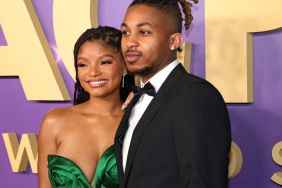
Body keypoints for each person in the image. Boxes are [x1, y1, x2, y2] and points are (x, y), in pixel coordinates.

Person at [114, 0, 232, 188]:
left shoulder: (196, 97)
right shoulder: (137, 97)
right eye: (125, 32)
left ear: (174, 41)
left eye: (144, 32)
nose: (130, 42)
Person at [38, 26, 134, 188]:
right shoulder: (54, 122)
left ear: (125, 66)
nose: (93, 72)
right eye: (83, 65)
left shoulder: (139, 122)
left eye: (105, 62)